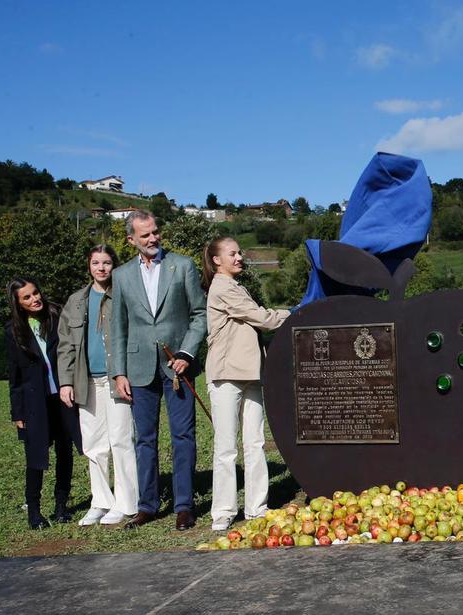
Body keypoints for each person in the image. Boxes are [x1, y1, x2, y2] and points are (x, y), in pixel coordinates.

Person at [109, 210, 208, 531]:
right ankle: (147, 506)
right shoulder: (122, 276)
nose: (153, 239)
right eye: (145, 235)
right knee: (144, 440)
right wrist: (118, 373)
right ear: (131, 240)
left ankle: (183, 506)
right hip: (138, 370)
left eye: (155, 232)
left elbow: (199, 315)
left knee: (183, 437)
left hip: (177, 367)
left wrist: (186, 352)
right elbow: (119, 327)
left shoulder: (183, 266)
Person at [202, 237, 291, 531]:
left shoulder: (236, 286)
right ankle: (224, 512)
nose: (240, 257)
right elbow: (260, 318)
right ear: (217, 260)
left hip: (251, 373)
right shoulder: (222, 287)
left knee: (255, 443)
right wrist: (294, 313)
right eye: (233, 253)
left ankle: (257, 507)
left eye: (239, 252)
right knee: (226, 447)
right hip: (227, 375)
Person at [57, 244, 137, 527]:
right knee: (93, 445)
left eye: (106, 263)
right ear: (88, 266)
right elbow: (65, 345)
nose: (101, 268)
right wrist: (65, 382)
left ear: (114, 265)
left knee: (121, 440)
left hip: (117, 379)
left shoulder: (124, 295)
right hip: (86, 381)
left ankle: (126, 502)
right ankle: (101, 501)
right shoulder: (76, 300)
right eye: (95, 263)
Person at [4, 276, 81, 529]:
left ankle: (61, 506)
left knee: (64, 452)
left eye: (35, 293)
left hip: (62, 396)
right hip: (34, 402)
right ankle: (34, 512)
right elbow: (14, 376)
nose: (34, 299)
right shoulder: (13, 331)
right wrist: (17, 412)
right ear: (18, 303)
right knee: (35, 457)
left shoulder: (56, 317)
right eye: (27, 297)